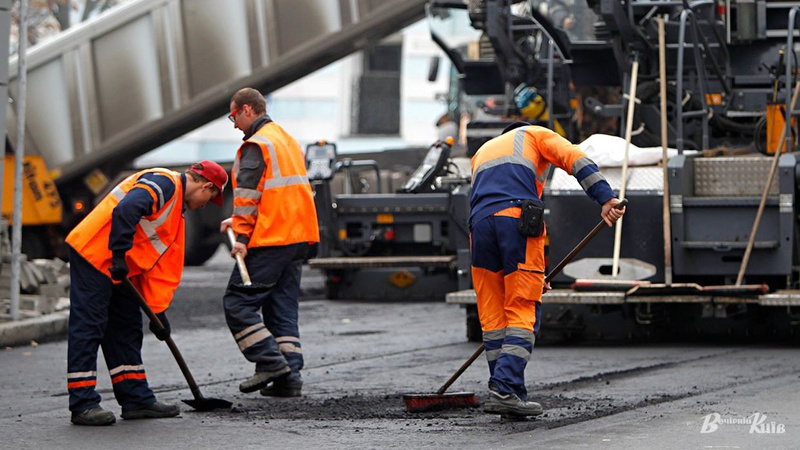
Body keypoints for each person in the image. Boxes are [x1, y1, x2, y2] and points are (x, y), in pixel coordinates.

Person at [469, 121, 624, 417]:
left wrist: (536, 274)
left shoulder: (483, 152)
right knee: (522, 305)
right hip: (515, 218)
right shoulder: (535, 134)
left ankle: (507, 395)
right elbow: (575, 158)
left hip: (480, 227)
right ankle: (505, 388)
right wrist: (606, 198)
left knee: (493, 312)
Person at [65, 161, 228, 426]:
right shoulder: (164, 183)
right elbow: (127, 208)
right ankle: (83, 404)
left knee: (126, 329)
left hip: (120, 268)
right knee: (89, 327)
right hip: (95, 257)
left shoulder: (176, 210)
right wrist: (118, 254)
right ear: (205, 185)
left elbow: (156, 265)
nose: (206, 204)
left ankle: (136, 399)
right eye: (211, 197)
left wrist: (157, 312)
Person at [221, 87, 320, 397]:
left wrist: (242, 237)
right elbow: (280, 192)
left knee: (237, 303)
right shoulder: (285, 140)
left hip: (271, 237)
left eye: (233, 115)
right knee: (281, 307)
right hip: (297, 236)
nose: (234, 123)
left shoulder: (256, 145)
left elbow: (248, 198)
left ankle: (269, 361)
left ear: (248, 110)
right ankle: (289, 377)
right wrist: (237, 224)